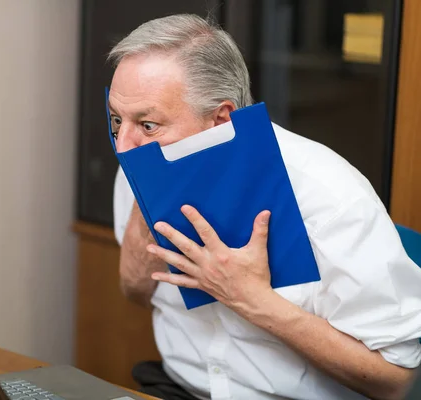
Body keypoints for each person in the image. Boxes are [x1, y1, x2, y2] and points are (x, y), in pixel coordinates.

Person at [108, 14, 421, 400]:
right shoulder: (138, 170)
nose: (123, 147)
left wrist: (251, 299)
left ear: (220, 119)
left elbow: (399, 382)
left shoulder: (330, 196)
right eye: (117, 120)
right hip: (178, 388)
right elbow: (135, 292)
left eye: (148, 125)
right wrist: (148, 205)